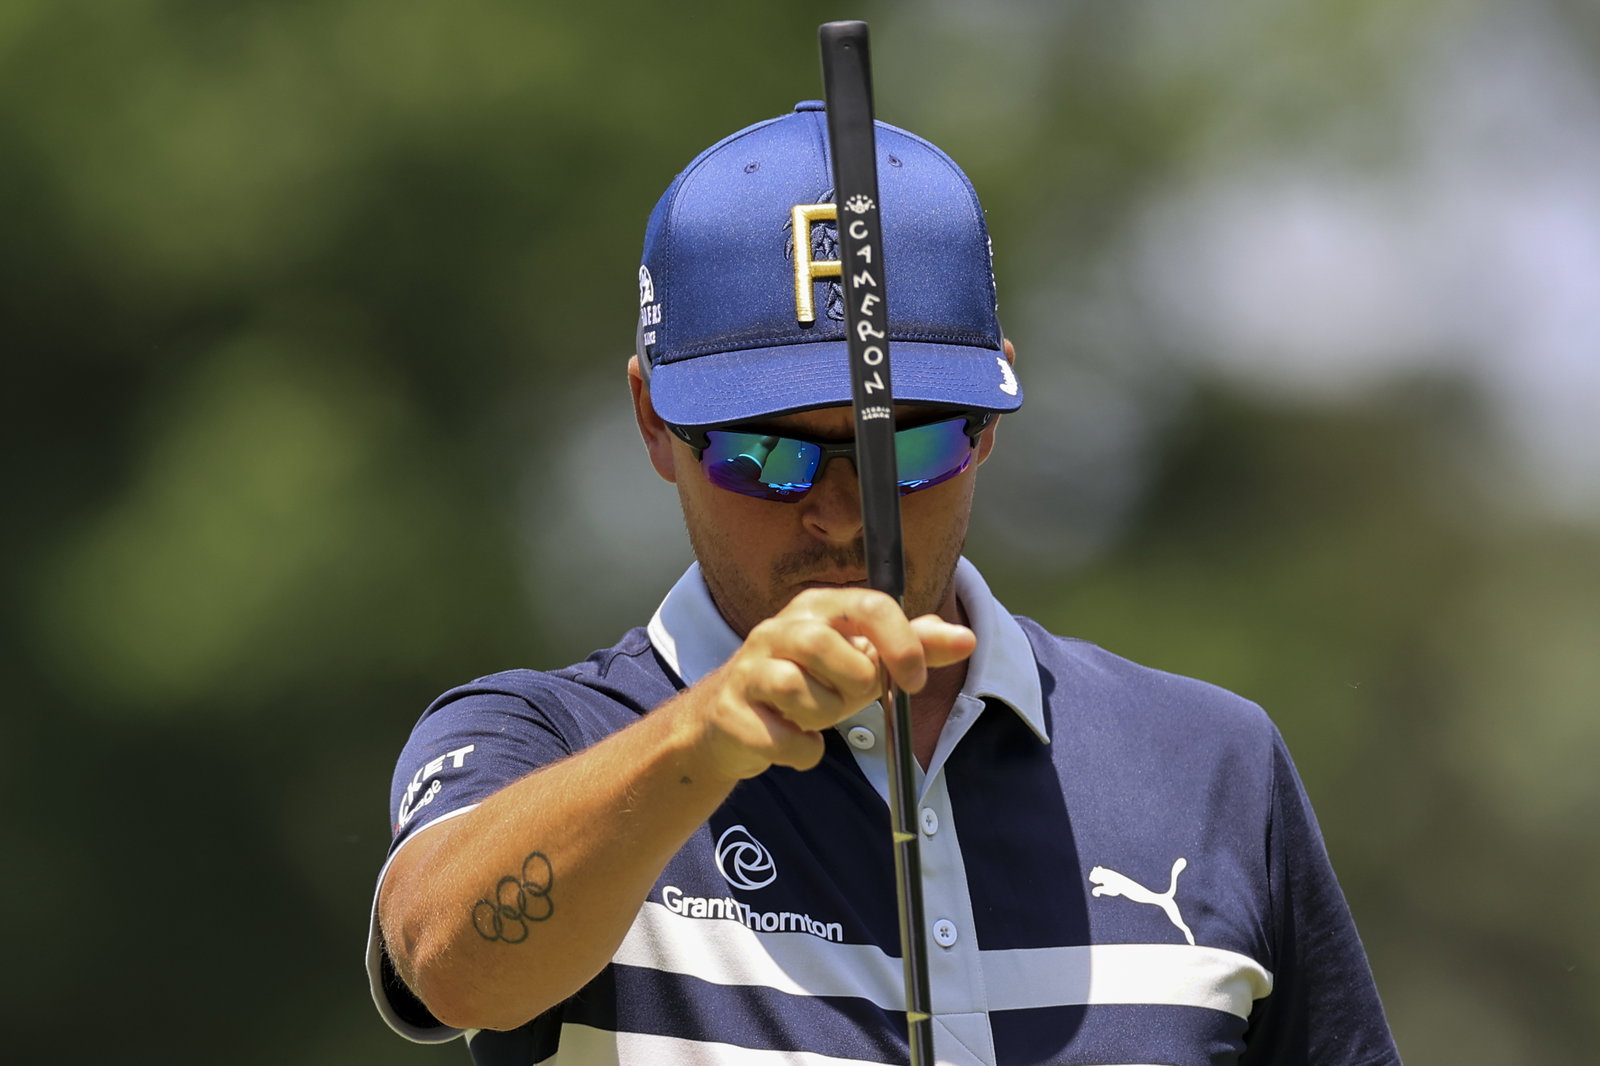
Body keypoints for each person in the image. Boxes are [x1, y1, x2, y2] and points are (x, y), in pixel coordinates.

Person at [365, 100, 1402, 1066]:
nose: (842, 511)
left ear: (990, 416)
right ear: (650, 421)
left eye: (910, 448)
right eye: (762, 456)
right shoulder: (542, 739)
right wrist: (704, 738)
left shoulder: (1212, 764)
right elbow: (448, 962)